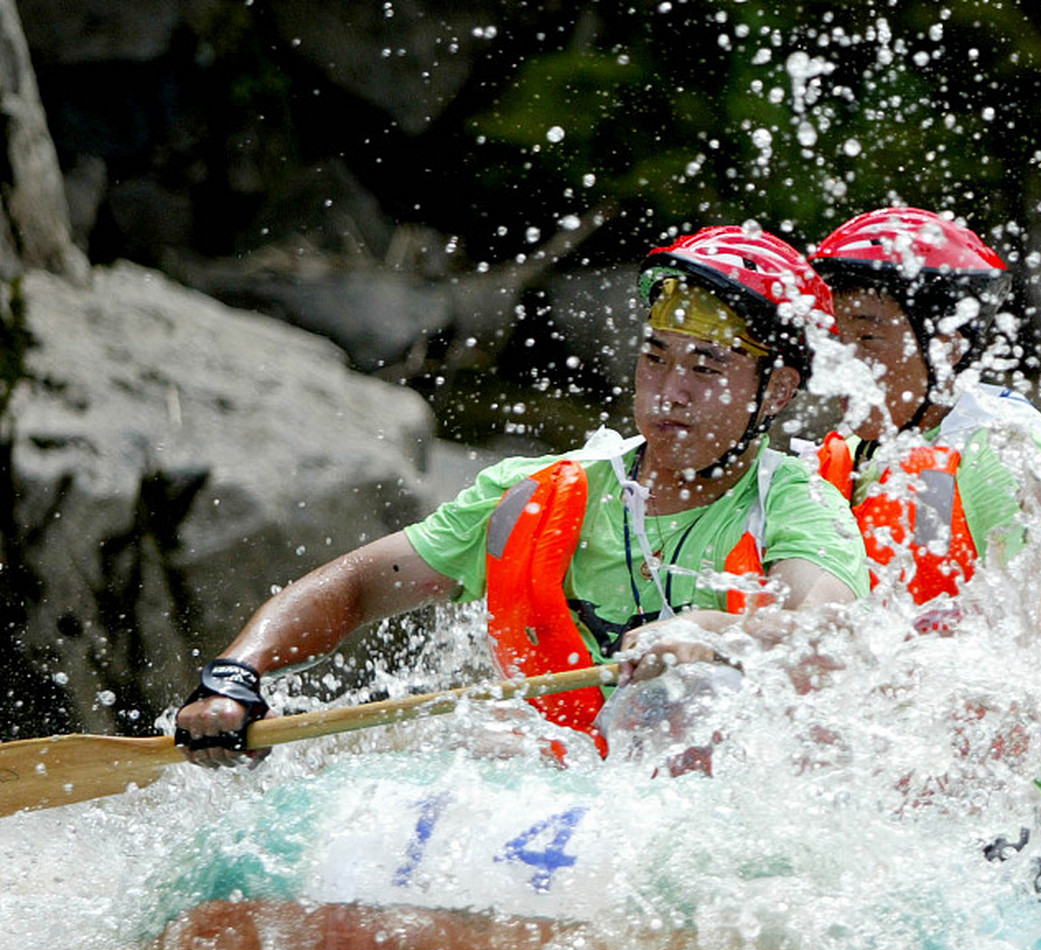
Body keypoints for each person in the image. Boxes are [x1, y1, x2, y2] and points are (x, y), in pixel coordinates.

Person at [174, 224, 869, 765]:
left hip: (693, 814)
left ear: (775, 391)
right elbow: (356, 586)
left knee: (694, 695)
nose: (671, 390)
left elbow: (828, 634)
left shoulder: (797, 505)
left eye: (705, 366)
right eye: (655, 356)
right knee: (483, 745)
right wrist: (235, 674)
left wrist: (709, 634)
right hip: (544, 780)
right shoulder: (534, 493)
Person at [806, 206, 1041, 771]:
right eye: (836, 341)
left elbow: (1038, 665)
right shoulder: (857, 457)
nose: (841, 366)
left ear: (948, 345)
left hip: (990, 778)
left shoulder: (999, 450)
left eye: (867, 340)